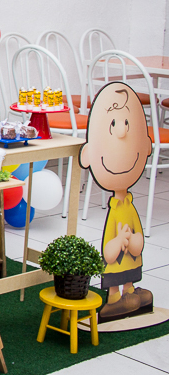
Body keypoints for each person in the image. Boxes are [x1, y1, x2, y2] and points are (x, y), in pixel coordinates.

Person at [79, 82, 153, 322]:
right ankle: (114, 299)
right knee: (114, 278)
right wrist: (120, 241)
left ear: (146, 146)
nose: (122, 132)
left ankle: (129, 292)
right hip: (115, 264)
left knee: (132, 282)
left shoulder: (129, 207)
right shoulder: (115, 211)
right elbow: (108, 254)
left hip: (131, 260)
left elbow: (140, 242)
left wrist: (133, 242)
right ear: (88, 155)